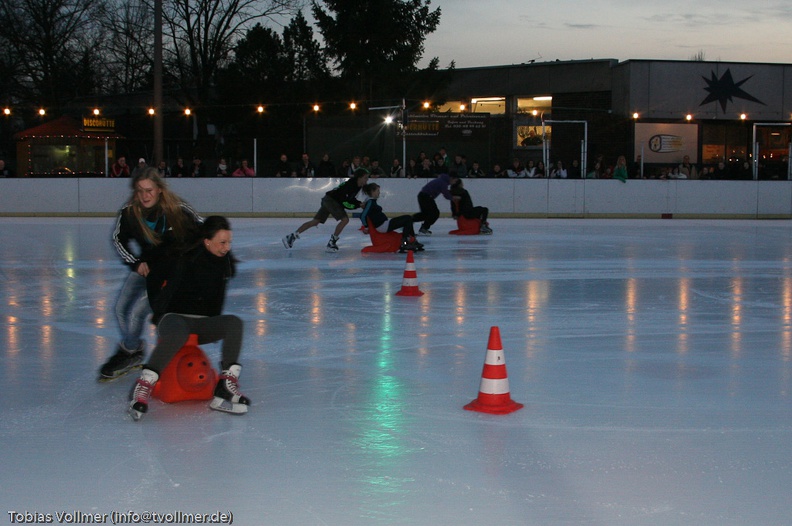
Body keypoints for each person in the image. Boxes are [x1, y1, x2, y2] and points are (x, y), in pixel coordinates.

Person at [129, 216, 250, 420]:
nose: (227, 247)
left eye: (229, 242)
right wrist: (158, 308)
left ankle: (225, 385)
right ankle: (144, 385)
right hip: (173, 319)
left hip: (202, 323)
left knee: (234, 323)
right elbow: (155, 271)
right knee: (180, 331)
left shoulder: (224, 264)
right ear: (207, 241)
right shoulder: (183, 258)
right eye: (222, 242)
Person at [100, 168, 203, 381]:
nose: (145, 196)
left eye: (149, 190)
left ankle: (132, 351)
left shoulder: (178, 210)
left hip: (171, 274)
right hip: (147, 268)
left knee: (137, 312)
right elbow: (118, 239)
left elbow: (205, 232)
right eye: (140, 191)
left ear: (159, 190)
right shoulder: (130, 212)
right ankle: (133, 349)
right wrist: (135, 262)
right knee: (121, 308)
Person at [282, 168, 370, 253]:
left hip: (328, 199)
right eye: (365, 177)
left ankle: (291, 236)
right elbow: (345, 202)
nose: (367, 180)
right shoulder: (351, 185)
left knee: (315, 221)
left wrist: (359, 203)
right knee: (345, 220)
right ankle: (331, 243)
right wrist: (358, 205)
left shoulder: (356, 185)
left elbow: (349, 198)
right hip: (332, 201)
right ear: (359, 177)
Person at [360, 183, 423, 252]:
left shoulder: (370, 201)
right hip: (382, 226)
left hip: (384, 224)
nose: (379, 193)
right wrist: (366, 227)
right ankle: (405, 243)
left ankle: (411, 241)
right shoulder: (370, 202)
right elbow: (363, 215)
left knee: (408, 218)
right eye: (378, 191)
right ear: (372, 191)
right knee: (408, 219)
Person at [414, 171, 458, 236]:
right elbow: (446, 194)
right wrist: (453, 198)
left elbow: (445, 191)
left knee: (426, 214)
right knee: (435, 213)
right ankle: (423, 228)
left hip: (423, 196)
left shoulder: (442, 180)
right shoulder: (443, 182)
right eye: (455, 181)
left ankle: (409, 221)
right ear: (451, 178)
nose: (454, 183)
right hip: (426, 197)